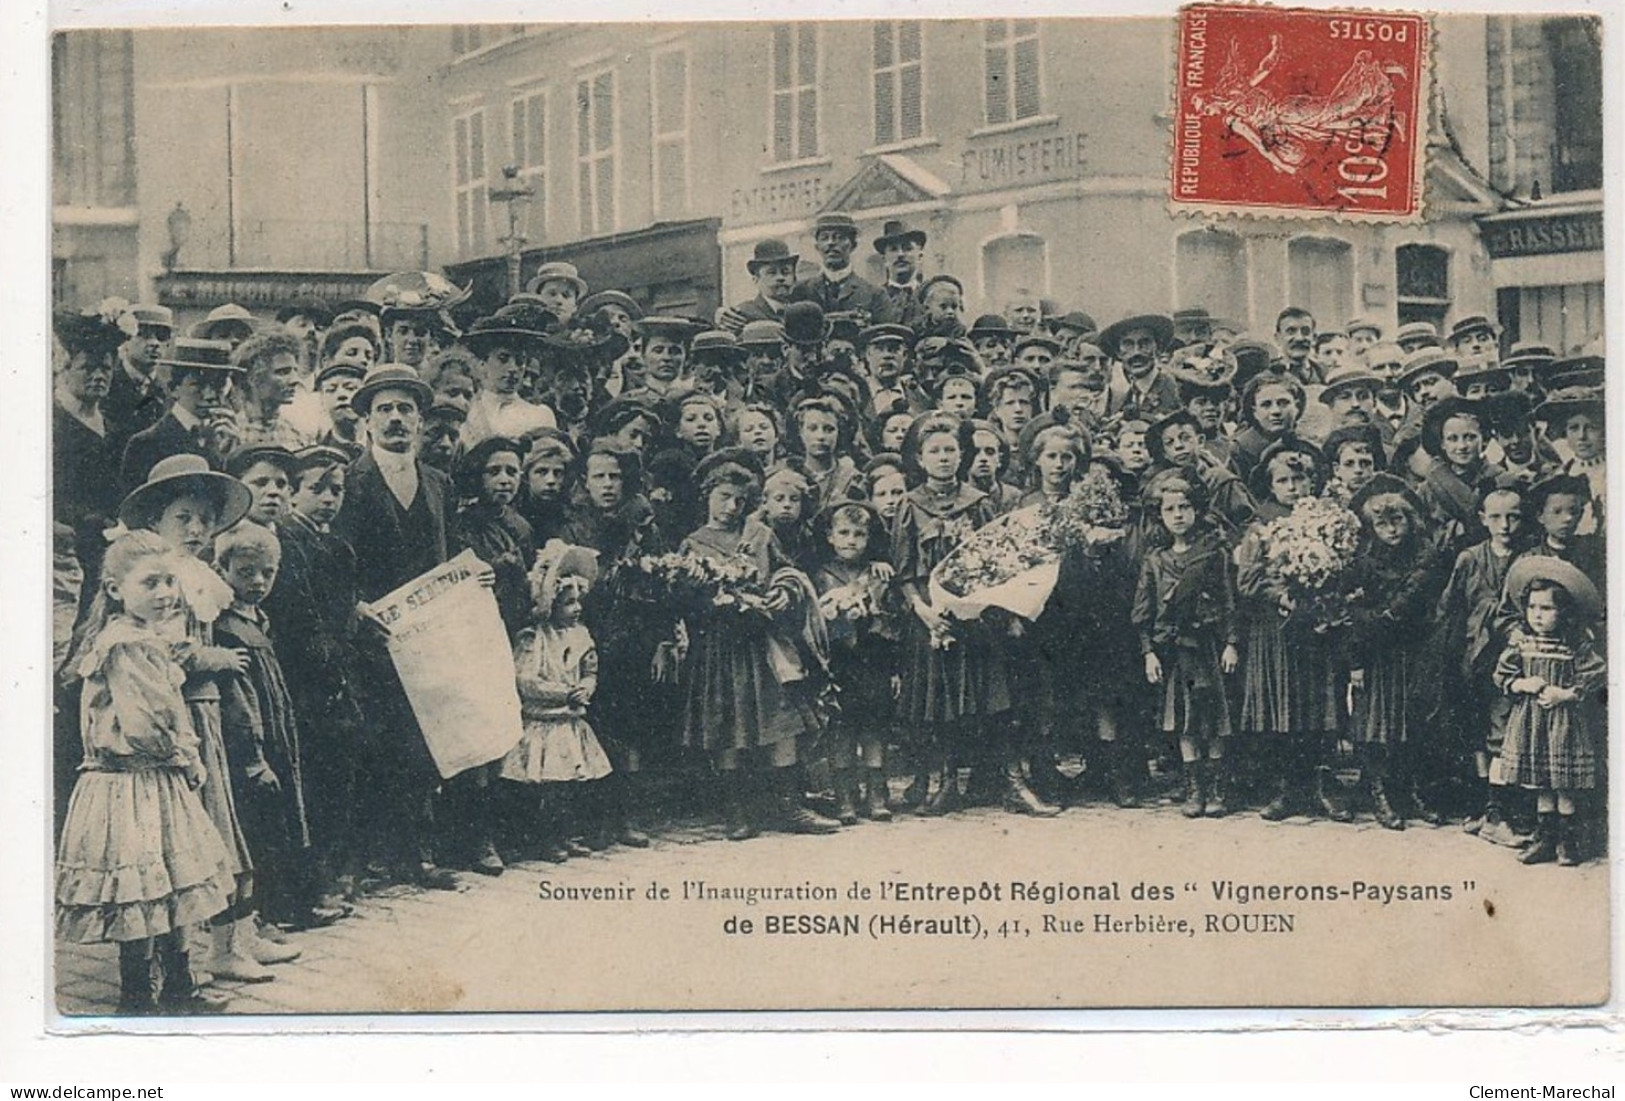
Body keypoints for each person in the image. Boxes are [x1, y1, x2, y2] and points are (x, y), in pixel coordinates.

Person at [116, 454, 289, 983]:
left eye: (204, 520)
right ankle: (203, 950)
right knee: (199, 830)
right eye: (183, 519)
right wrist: (215, 659)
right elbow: (170, 650)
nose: (195, 530)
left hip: (210, 715)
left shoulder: (201, 577)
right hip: (180, 716)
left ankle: (236, 935)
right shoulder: (160, 582)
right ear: (157, 525)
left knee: (227, 824)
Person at [55, 530, 237, 1014]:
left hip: (149, 780)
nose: (165, 594)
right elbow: (146, 726)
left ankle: (178, 986)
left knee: (168, 882)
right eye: (150, 583)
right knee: (139, 888)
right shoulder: (129, 645)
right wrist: (185, 756)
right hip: (134, 781)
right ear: (116, 590)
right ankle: (138, 995)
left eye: (170, 582)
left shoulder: (138, 639)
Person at [333, 364, 470, 891]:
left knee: (421, 743)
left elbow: (450, 554)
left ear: (419, 421)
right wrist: (355, 608)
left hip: (426, 638)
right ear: (365, 422)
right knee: (371, 745)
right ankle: (362, 859)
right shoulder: (348, 481)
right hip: (369, 636)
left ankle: (415, 853)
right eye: (384, 409)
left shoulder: (439, 483)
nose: (396, 419)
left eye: (405, 409)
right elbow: (338, 558)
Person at [675, 450, 837, 839]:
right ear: (707, 497)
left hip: (763, 646)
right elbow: (682, 599)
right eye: (723, 497)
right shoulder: (693, 545)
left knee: (781, 718)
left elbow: (786, 572)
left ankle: (788, 804)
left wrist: (783, 590)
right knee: (727, 722)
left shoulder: (760, 536)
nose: (732, 506)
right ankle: (736, 808)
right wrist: (711, 601)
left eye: (739, 500)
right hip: (719, 648)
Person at [891, 412, 1015, 815]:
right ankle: (944, 781)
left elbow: (998, 561)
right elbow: (904, 572)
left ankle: (1002, 780)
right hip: (931, 618)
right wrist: (924, 612)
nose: (943, 458)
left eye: (950, 450)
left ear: (961, 456)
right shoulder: (909, 506)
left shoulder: (979, 504)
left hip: (974, 616)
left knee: (987, 696)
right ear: (919, 459)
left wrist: (978, 604)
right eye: (934, 451)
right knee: (937, 700)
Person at [213, 522, 333, 932]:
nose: (258, 582)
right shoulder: (227, 630)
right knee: (258, 833)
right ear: (222, 570)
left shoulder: (259, 620)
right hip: (254, 751)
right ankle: (260, 918)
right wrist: (252, 757)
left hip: (279, 742)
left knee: (281, 826)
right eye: (246, 573)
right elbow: (239, 705)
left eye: (268, 572)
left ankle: (283, 912)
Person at [261, 445, 367, 901]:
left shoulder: (337, 543)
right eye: (316, 489)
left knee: (338, 771)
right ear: (295, 492)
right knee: (312, 776)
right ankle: (311, 879)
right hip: (303, 671)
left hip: (337, 669)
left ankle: (335, 868)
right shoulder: (285, 541)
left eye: (336, 491)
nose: (328, 499)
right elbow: (297, 614)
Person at [1235, 440, 1345, 822]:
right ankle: (1285, 789)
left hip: (1317, 625)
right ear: (1271, 485)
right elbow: (1247, 580)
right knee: (1281, 707)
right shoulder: (1261, 525)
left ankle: (1316, 786)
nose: (1293, 487)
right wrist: (1280, 595)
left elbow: (1344, 566)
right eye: (1283, 480)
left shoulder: (1329, 519)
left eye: (1300, 479)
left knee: (1315, 706)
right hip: (1276, 626)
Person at [1134, 470, 1240, 818]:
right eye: (1170, 510)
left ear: (1197, 511)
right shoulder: (1155, 560)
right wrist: (1148, 651)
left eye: (1184, 507)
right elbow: (1143, 611)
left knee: (1214, 717)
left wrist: (1231, 642)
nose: (1178, 515)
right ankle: (1194, 788)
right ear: (1160, 516)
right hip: (1175, 651)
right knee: (1183, 719)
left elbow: (1227, 601)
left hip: (1209, 647)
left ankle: (1217, 787)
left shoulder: (1213, 553)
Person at [1343, 475, 1446, 830]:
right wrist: (1357, 657)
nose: (1391, 529)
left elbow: (1419, 599)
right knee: (1378, 723)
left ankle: (1410, 790)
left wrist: (1381, 616)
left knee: (1412, 719)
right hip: (1377, 653)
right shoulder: (1361, 561)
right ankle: (1380, 790)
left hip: (1414, 647)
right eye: (1382, 523)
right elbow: (1351, 611)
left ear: (1410, 519)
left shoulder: (1424, 554)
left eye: (1397, 520)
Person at [499, 540, 611, 861]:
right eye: (567, 603)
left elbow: (590, 668)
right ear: (551, 606)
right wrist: (564, 692)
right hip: (544, 721)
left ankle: (566, 834)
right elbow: (526, 681)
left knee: (569, 785)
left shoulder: (580, 635)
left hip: (570, 721)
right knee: (545, 786)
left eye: (578, 601)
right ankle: (543, 839)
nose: (576, 608)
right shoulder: (535, 638)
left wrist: (586, 687)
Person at [1495, 558, 1605, 866]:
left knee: (1563, 783)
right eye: (1532, 608)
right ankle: (1545, 839)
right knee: (1542, 781)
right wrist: (1523, 684)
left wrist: (1565, 694)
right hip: (1531, 721)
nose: (1538, 615)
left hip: (1563, 722)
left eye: (1547, 608)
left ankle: (1567, 842)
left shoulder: (1575, 646)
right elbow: (1502, 677)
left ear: (1563, 611)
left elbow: (1594, 676)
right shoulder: (1522, 644)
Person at [1435, 485, 1525, 847]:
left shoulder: (1528, 559)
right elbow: (1449, 607)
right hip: (1473, 657)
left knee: (1501, 732)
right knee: (1475, 728)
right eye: (1497, 517)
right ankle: (1485, 808)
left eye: (1513, 517)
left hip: (1512, 658)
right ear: (1483, 520)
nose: (1505, 525)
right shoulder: (1469, 558)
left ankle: (1498, 812)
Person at [811, 501, 900, 823]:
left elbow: (892, 620)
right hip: (838, 664)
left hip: (872, 660)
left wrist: (873, 615)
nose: (851, 540)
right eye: (844, 533)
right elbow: (813, 620)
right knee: (842, 728)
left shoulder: (877, 574)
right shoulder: (821, 575)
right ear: (830, 536)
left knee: (874, 725)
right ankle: (844, 795)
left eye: (859, 534)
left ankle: (877, 793)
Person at [53, 306, 128, 583]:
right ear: (67, 368)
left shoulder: (111, 425)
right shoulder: (53, 421)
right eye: (87, 368)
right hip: (65, 547)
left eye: (106, 368)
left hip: (107, 546)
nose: (99, 376)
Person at [120, 339, 244, 490]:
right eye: (198, 384)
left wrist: (232, 457)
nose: (210, 394)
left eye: (217, 385)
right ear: (173, 389)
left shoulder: (228, 438)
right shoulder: (145, 443)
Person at [461, 313, 558, 446]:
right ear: (482, 363)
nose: (513, 368)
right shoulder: (467, 409)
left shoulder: (539, 415)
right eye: (503, 359)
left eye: (520, 361)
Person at [792, 213, 894, 325]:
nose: (831, 243)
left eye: (839, 237)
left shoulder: (874, 294)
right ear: (817, 247)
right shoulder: (801, 291)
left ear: (853, 245)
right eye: (824, 238)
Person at [103, 303, 175, 459]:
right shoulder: (106, 385)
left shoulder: (168, 392)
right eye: (143, 334)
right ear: (126, 339)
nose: (154, 343)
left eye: (161, 336)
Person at [231, 329, 316, 451]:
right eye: (282, 372)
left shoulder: (299, 435)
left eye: (295, 371)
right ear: (253, 377)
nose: (295, 380)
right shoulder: (231, 433)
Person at [1102, 314, 1181, 422]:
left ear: (1158, 348)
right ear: (1118, 353)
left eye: (1145, 343)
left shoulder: (1176, 389)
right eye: (1128, 344)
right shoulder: (1118, 400)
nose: (1136, 352)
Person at [718, 239, 799, 332]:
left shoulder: (801, 312)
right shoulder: (743, 314)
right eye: (771, 273)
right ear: (756, 280)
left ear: (794, 278)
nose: (780, 277)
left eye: (786, 272)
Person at [874, 220, 929, 333]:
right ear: (884, 259)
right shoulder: (874, 297)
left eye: (907, 248)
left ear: (920, 256)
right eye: (893, 249)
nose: (900, 254)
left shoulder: (930, 296)